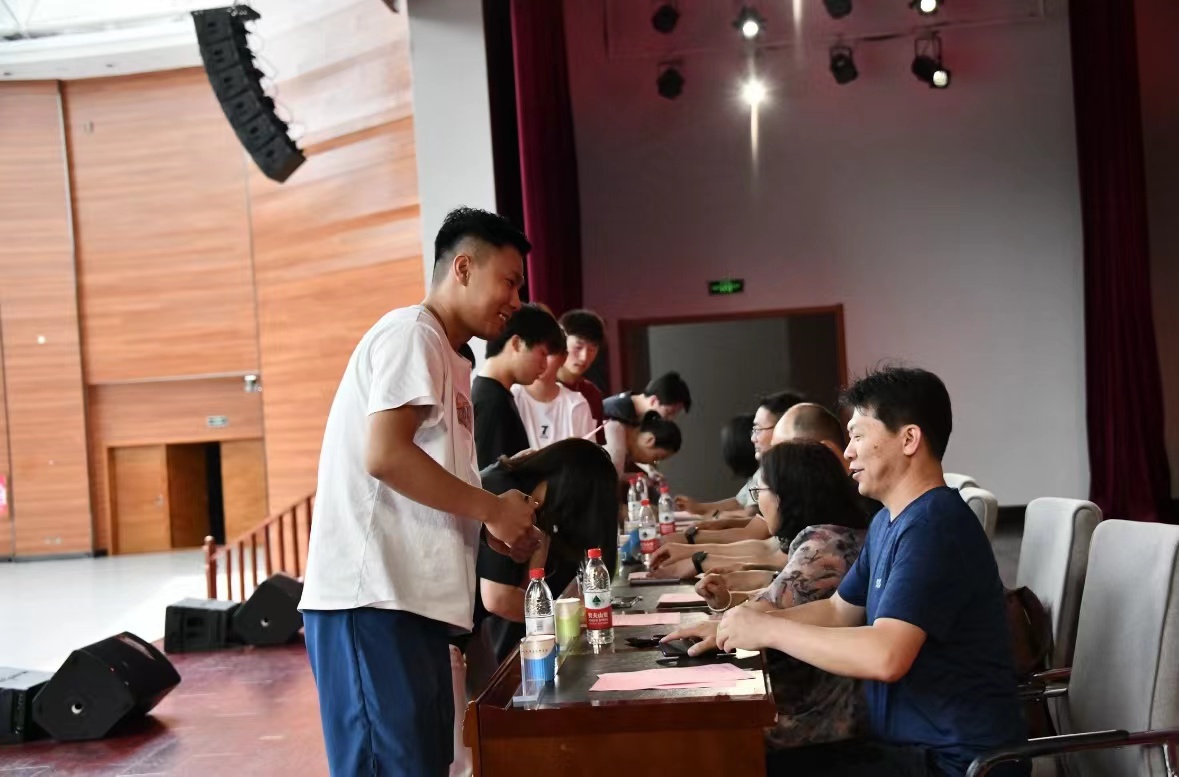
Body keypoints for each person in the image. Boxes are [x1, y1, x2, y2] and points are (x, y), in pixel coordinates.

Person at [299, 207, 544, 777]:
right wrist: (491, 508)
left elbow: (435, 481)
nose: (516, 301)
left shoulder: (452, 358)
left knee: (425, 765)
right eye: (509, 282)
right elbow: (385, 455)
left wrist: (492, 524)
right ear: (463, 268)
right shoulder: (412, 333)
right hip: (372, 599)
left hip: (415, 607)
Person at [706, 367, 1028, 777]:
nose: (847, 452)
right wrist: (744, 620)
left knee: (745, 764)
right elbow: (839, 610)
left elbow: (886, 656)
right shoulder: (889, 521)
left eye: (858, 436)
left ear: (909, 439)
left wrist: (769, 631)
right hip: (902, 748)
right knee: (752, 760)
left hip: (951, 762)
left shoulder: (934, 527)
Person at [663, 440, 869, 751]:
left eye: (761, 491)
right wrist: (727, 604)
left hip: (809, 716)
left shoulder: (823, 548)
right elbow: (777, 600)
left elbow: (767, 609)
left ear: (788, 493)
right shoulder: (835, 535)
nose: (759, 502)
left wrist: (720, 624)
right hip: (819, 704)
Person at [471, 439, 620, 667]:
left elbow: (527, 588)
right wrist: (570, 619)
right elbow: (499, 599)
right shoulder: (502, 491)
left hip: (471, 627)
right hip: (440, 623)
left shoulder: (540, 509)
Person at [665, 391, 808, 547]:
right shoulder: (775, 469)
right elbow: (752, 523)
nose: (753, 438)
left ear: (784, 429)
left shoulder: (799, 477)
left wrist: (698, 534)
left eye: (758, 430)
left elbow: (758, 534)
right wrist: (706, 519)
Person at [472, 303, 563, 468]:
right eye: (543, 354)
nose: (544, 365)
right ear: (517, 343)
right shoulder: (492, 402)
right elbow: (490, 477)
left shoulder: (496, 394)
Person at [512, 333, 596, 450]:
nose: (541, 361)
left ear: (563, 358)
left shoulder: (577, 404)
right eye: (536, 352)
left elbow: (588, 456)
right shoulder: (512, 397)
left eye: (547, 354)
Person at [556, 309, 607, 439]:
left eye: (592, 349)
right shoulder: (542, 387)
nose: (584, 357)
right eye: (578, 347)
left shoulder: (592, 394)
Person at [603, 409, 682, 477]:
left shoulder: (619, 428)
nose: (651, 462)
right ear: (649, 440)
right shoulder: (615, 447)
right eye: (657, 457)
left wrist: (649, 472)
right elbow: (613, 477)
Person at [602, 371, 693, 423]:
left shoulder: (632, 410)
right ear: (653, 400)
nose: (670, 420)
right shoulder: (617, 410)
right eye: (668, 412)